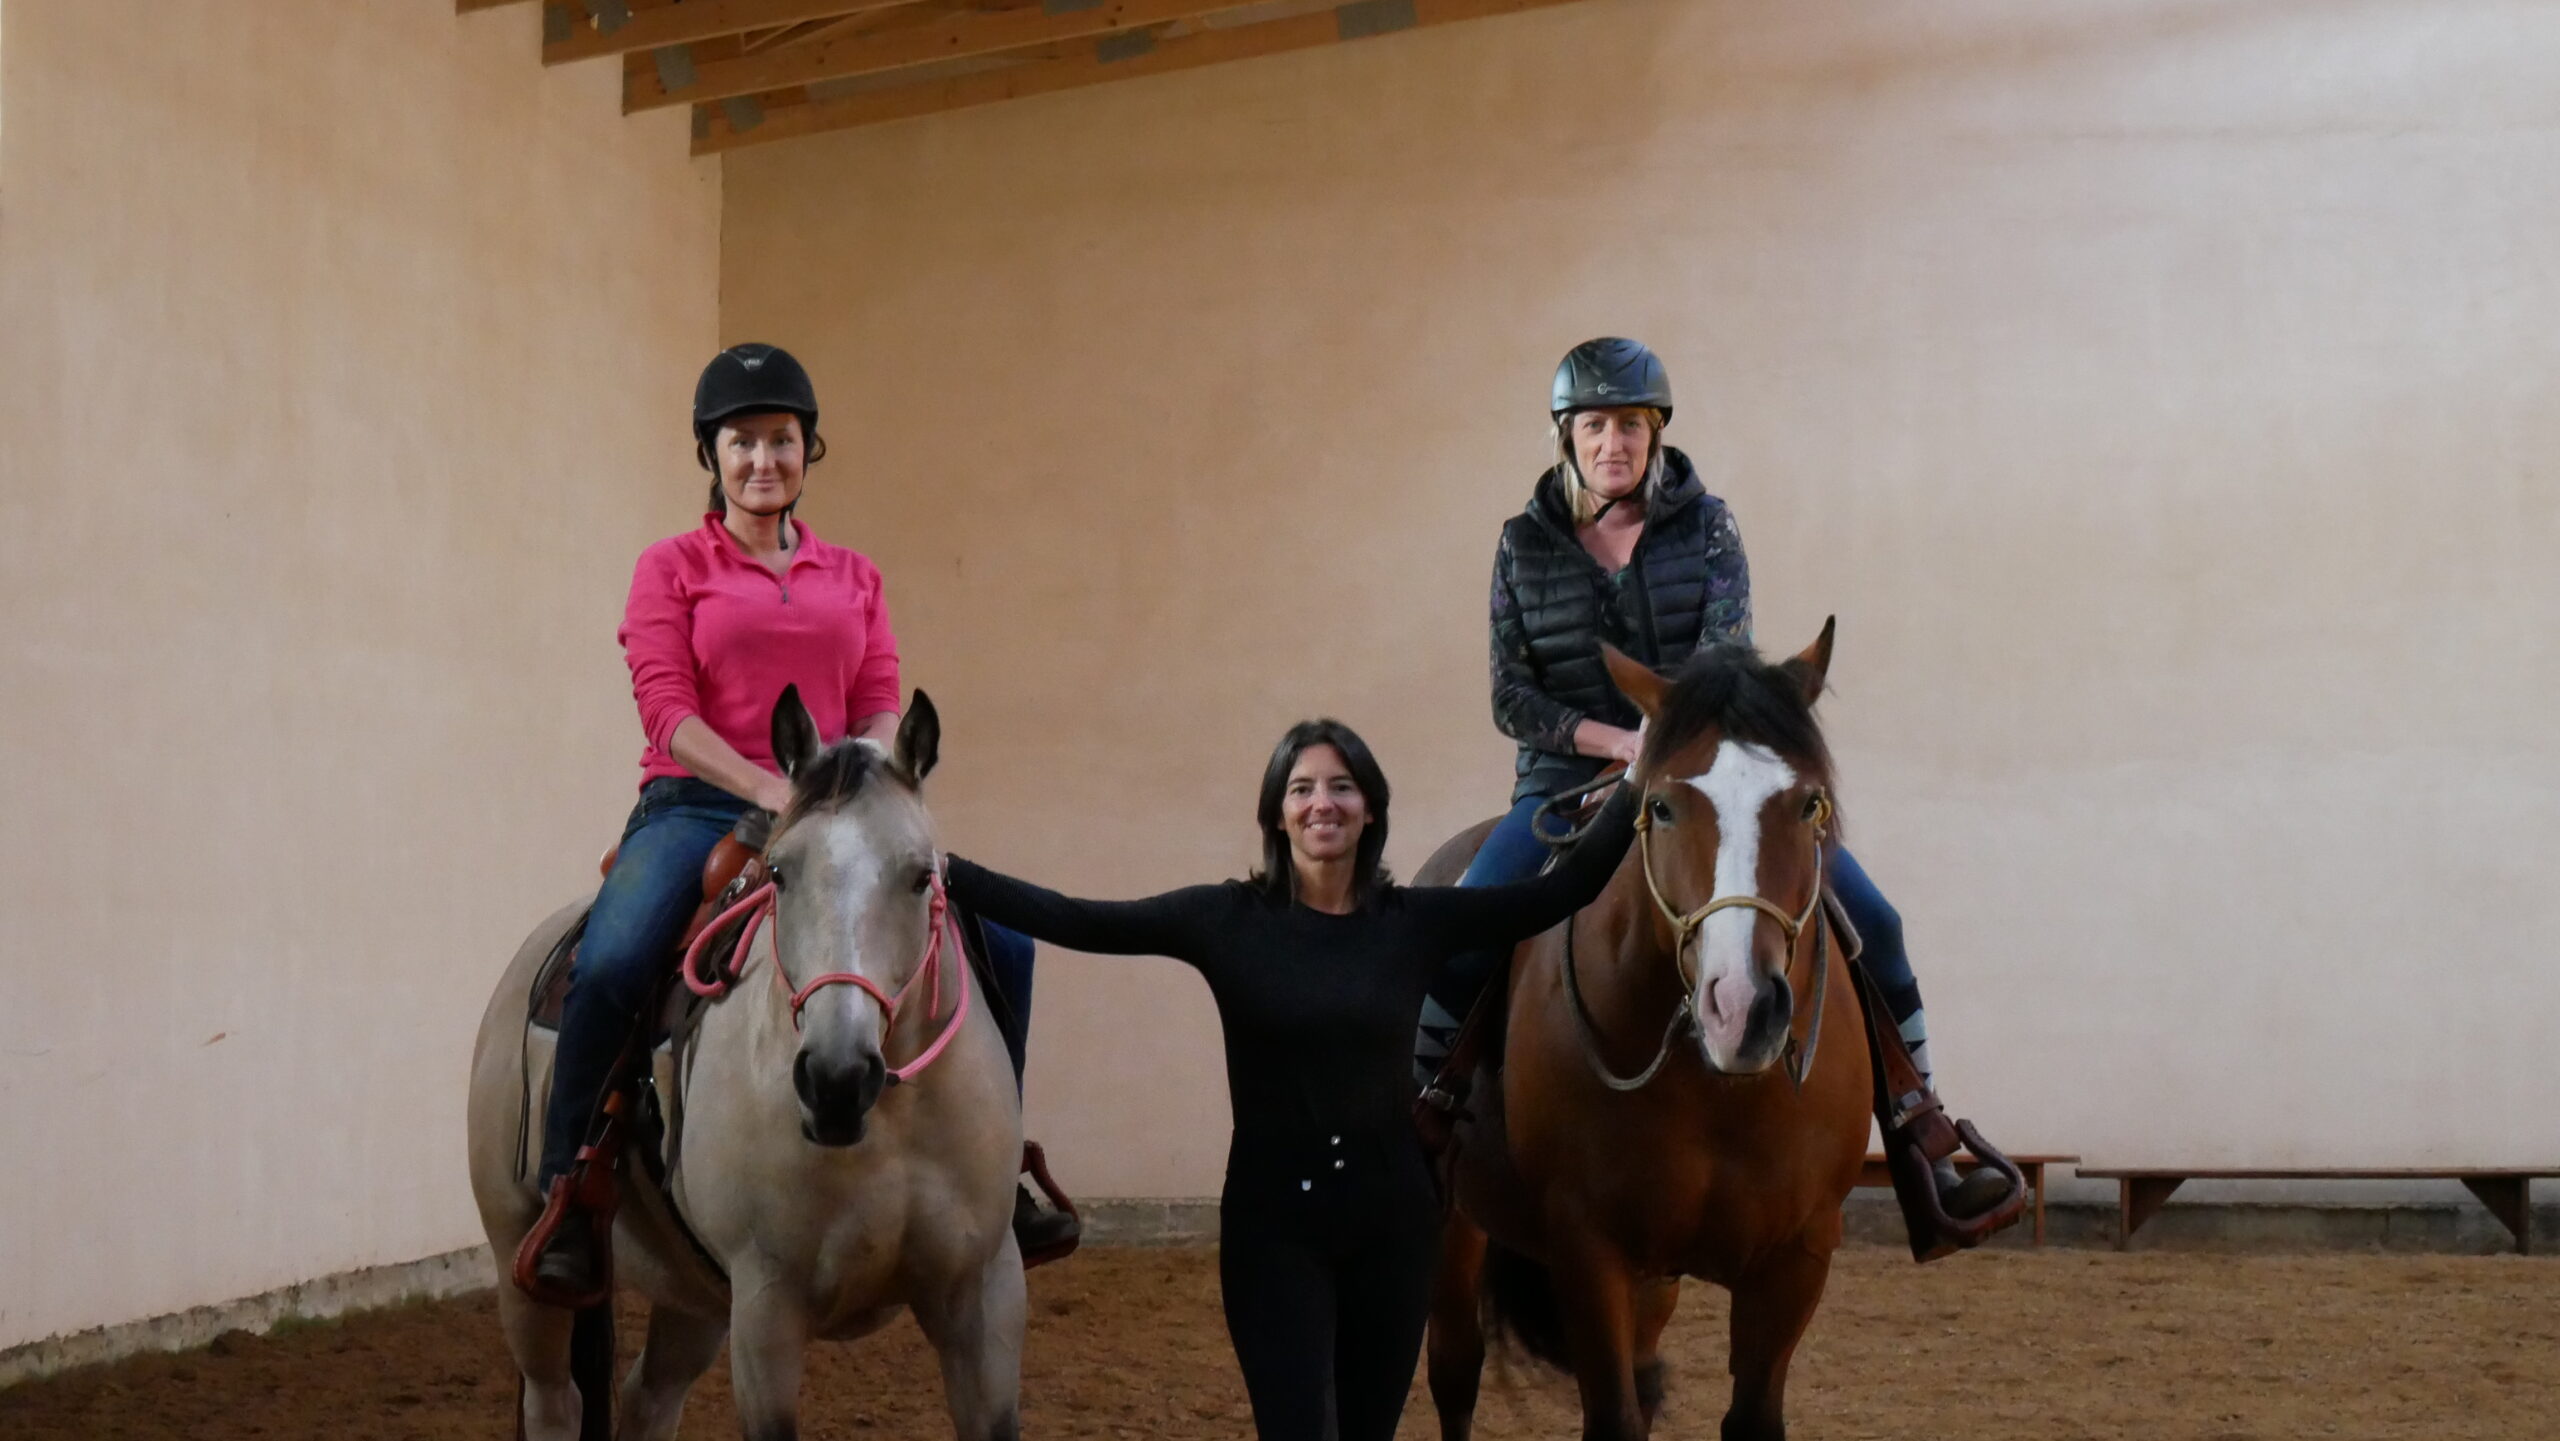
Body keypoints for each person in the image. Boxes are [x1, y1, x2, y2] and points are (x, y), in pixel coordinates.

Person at [1413, 336, 2016, 1222]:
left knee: (1876, 924)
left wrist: (1667, 748)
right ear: (1566, 436)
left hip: (1706, 779)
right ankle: (1424, 1120)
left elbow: (1726, 661)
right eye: (1593, 426)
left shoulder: (1709, 527)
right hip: (1562, 786)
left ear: (1654, 433)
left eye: (1630, 424)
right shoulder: (1522, 544)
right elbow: (1511, 692)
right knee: (1466, 920)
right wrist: (1617, 742)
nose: (1612, 442)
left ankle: (1922, 1134)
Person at [525, 343, 1073, 1300]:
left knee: (1009, 942)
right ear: (712, 453)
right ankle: (571, 1184)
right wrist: (768, 785)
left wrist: (872, 781)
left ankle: (999, 1167)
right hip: (698, 802)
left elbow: (879, 696)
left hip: (839, 806)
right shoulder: (670, 567)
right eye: (741, 441)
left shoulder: (852, 573)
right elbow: (665, 708)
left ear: (808, 448)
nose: (762, 460)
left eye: (781, 439)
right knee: (612, 960)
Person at [944, 721, 1636, 1441]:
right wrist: (949, 872)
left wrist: (1641, 775)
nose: (1322, 803)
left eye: (1342, 786)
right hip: (1274, 1234)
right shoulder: (1225, 919)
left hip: (1393, 1231)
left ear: (1371, 808)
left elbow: (1566, 890)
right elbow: (1080, 920)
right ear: (1278, 813)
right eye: (1302, 788)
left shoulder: (1415, 921)